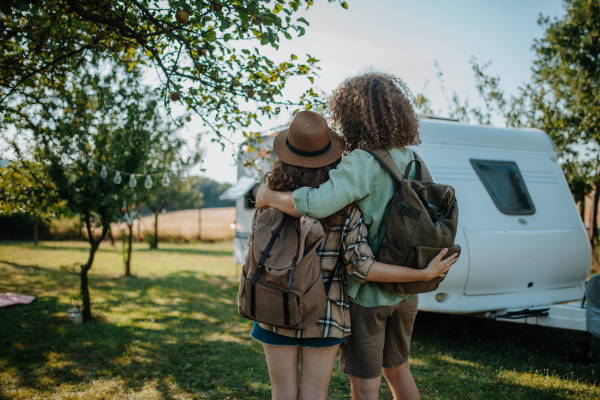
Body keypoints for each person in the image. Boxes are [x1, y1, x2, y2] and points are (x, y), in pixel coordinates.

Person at [256, 73, 446, 400]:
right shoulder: (413, 159)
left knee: (365, 385)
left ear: (352, 115)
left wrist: (269, 197)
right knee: (399, 371)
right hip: (406, 291)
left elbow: (316, 204)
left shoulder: (362, 161)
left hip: (369, 294)